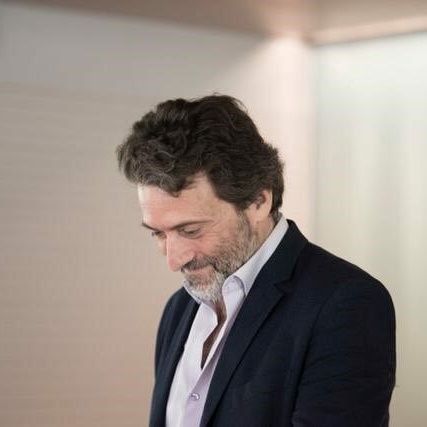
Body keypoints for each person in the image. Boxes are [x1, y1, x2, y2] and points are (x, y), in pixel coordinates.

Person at [116, 95, 395, 427]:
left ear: (259, 201)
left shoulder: (347, 303)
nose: (174, 261)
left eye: (190, 230)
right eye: (158, 234)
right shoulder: (178, 309)